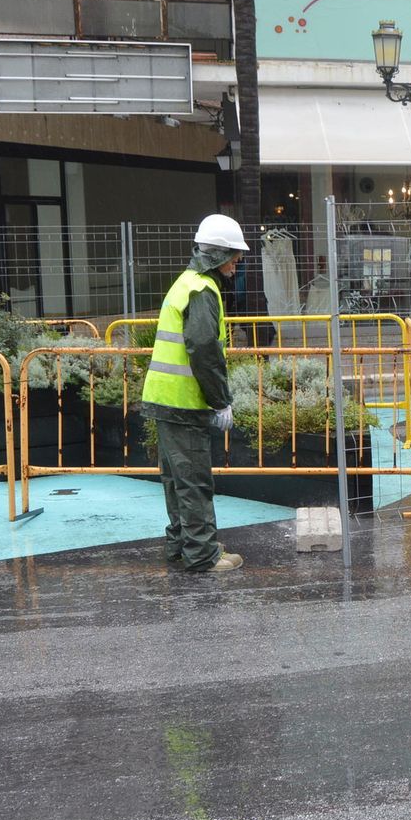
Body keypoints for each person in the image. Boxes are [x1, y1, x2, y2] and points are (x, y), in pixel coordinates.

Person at [140, 214, 248, 573]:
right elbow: (203, 347)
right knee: (194, 480)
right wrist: (221, 400)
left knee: (176, 479)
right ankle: (202, 555)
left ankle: (181, 544)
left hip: (166, 398)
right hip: (184, 402)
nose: (237, 262)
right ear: (218, 255)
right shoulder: (203, 290)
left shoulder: (187, 282)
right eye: (234, 255)